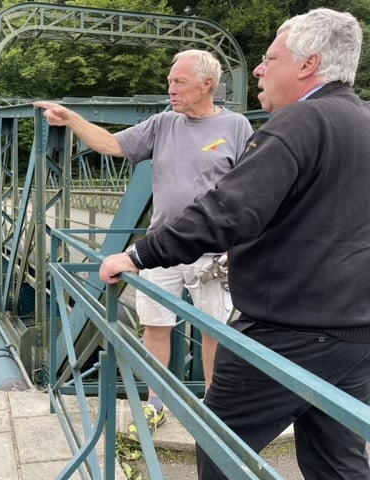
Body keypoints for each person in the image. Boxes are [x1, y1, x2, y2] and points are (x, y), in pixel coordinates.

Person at [99, 8, 370, 479]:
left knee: (221, 446)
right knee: (337, 461)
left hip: (286, 331)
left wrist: (140, 255)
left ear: (308, 64)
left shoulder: (299, 123)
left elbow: (228, 211)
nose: (259, 70)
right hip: (356, 334)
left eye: (270, 58)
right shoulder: (363, 122)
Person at [34, 49, 253, 430]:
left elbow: (250, 192)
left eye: (179, 82)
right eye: (170, 81)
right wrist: (70, 119)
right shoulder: (162, 124)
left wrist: (241, 246)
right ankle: (156, 403)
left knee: (214, 331)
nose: (171, 88)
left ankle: (213, 407)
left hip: (213, 253)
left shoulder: (236, 128)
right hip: (161, 248)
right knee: (156, 326)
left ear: (208, 84)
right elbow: (111, 145)